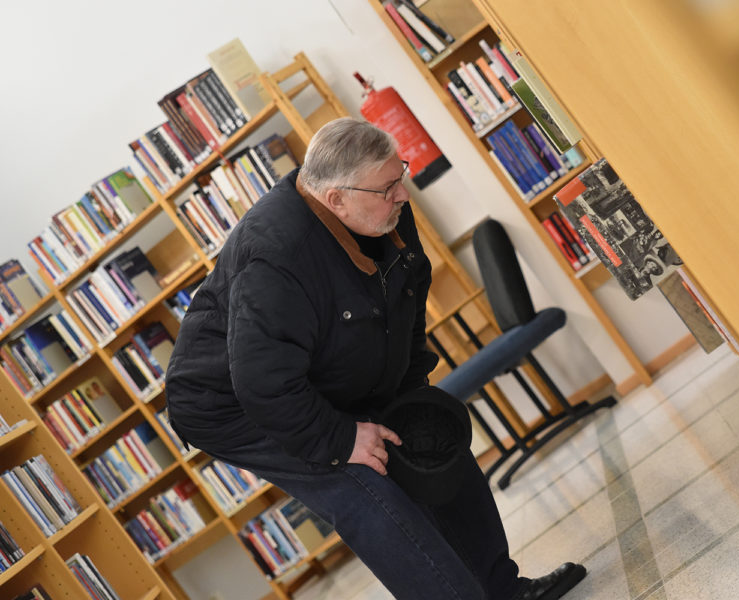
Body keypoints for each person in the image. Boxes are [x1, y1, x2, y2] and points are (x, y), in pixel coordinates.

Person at [165, 117, 586, 600]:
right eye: (388, 187)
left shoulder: (384, 209)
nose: (403, 194)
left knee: (430, 441)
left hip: (315, 368)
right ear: (336, 198)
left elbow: (407, 304)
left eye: (400, 174)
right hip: (232, 402)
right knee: (364, 485)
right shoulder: (277, 256)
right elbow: (264, 383)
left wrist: (412, 400)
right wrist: (342, 438)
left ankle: (504, 591)